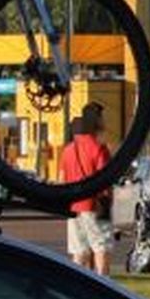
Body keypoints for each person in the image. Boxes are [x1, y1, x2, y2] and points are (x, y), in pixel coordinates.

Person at [59, 104, 114, 275]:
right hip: (95, 204)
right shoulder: (99, 148)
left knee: (79, 251)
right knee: (101, 246)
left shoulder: (67, 150)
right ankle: (104, 284)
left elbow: (61, 179)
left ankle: (78, 286)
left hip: (74, 206)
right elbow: (104, 179)